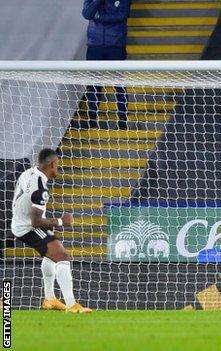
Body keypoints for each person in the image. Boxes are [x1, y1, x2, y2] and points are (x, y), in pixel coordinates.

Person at [11, 149, 92, 313]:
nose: (58, 169)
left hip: (19, 220)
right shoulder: (41, 188)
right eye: (58, 165)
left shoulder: (29, 173)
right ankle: (71, 305)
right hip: (27, 227)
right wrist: (62, 221)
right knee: (61, 255)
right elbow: (36, 222)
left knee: (51, 253)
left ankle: (50, 299)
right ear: (52, 164)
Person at [81, 0, 131, 129]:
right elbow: (87, 14)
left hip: (115, 45)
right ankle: (92, 119)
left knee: (118, 83)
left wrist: (99, 17)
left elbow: (122, 15)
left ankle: (122, 120)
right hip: (95, 45)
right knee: (94, 83)